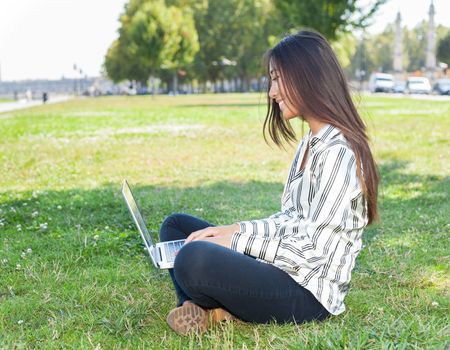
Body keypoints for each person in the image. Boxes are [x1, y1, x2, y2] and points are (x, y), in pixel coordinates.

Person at [159, 29, 380, 335]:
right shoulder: (311, 144)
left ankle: (207, 306)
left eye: (277, 79)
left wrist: (234, 243)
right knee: (178, 228)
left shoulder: (339, 154)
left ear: (307, 77)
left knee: (193, 257)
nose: (271, 92)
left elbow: (312, 251)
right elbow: (291, 220)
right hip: (284, 270)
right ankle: (205, 310)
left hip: (307, 293)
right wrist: (233, 230)